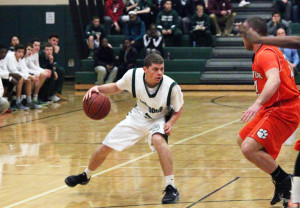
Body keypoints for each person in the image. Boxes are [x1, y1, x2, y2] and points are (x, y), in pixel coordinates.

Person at [65, 53, 184, 204]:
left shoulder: (171, 86)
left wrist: (170, 122)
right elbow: (116, 87)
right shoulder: (133, 76)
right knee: (105, 147)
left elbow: (179, 108)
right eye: (155, 69)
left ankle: (171, 187)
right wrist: (97, 88)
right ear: (145, 69)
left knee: (158, 140)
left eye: (162, 69)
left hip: (159, 117)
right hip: (138, 116)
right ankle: (85, 175)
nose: (159, 73)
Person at [237, 17, 300, 208]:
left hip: (284, 109)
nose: (242, 38)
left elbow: (274, 80)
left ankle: (286, 182)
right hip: (273, 108)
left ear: (253, 34)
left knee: (249, 148)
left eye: (244, 34)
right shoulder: (265, 52)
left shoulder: (265, 53)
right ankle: (282, 180)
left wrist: (257, 104)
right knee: (243, 139)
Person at [5, 44, 40, 110]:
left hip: (14, 75)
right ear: (15, 51)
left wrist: (30, 76)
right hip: (7, 75)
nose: (21, 54)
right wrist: (29, 76)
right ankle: (18, 102)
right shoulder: (10, 57)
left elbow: (23, 70)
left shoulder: (20, 58)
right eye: (19, 52)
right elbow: (14, 71)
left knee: (28, 80)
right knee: (20, 79)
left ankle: (29, 101)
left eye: (22, 52)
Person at [48, 33, 65, 99]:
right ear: (49, 40)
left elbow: (54, 62)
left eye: (57, 41)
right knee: (56, 71)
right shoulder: (47, 48)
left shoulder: (54, 48)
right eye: (53, 40)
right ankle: (51, 94)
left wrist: (54, 66)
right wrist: (55, 53)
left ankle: (58, 92)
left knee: (61, 70)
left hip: (51, 66)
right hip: (45, 67)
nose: (55, 42)